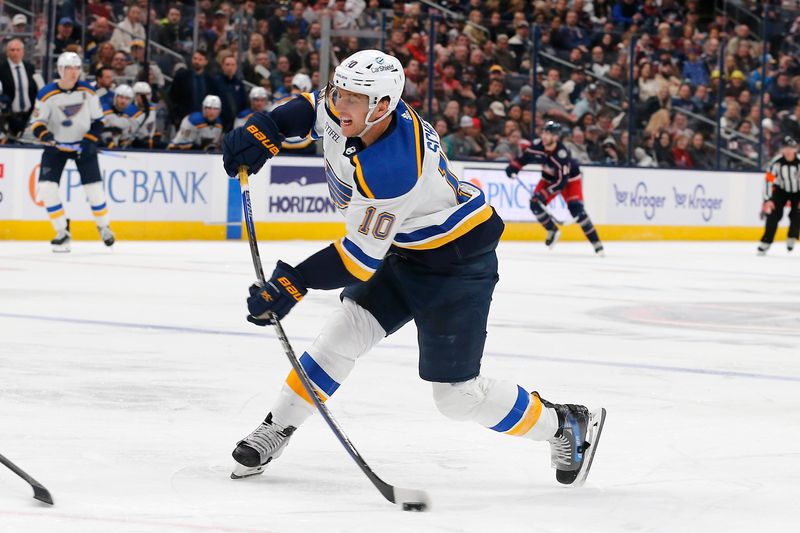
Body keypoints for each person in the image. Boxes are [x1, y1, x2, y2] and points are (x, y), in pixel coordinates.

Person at [221, 50, 606, 486]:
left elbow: (356, 259)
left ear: (382, 106)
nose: (338, 104)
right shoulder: (350, 108)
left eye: (351, 99)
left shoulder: (394, 166)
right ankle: (278, 425)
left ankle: (563, 423)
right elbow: (309, 108)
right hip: (405, 248)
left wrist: (295, 282)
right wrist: (266, 128)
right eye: (338, 91)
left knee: (457, 397)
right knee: (343, 333)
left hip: (456, 263)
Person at [30, 52, 114, 252]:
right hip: (56, 147)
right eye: (69, 68)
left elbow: (99, 121)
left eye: (77, 68)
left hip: (83, 147)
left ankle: (104, 226)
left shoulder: (88, 91)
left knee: (94, 189)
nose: (74, 72)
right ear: (60, 70)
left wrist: (88, 140)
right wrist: (46, 136)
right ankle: (62, 232)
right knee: (46, 189)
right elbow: (37, 123)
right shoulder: (46, 94)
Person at [505, 121, 575, 250]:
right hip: (546, 178)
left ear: (555, 137)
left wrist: (546, 192)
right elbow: (524, 158)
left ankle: (553, 229)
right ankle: (552, 229)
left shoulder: (561, 154)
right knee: (534, 204)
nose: (544, 135)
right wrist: (513, 167)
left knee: (538, 201)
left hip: (557, 183)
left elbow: (562, 181)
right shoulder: (538, 145)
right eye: (543, 132)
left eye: (548, 133)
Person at [758, 136, 800, 255]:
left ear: (795, 149)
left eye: (791, 148)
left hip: (798, 192)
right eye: (785, 148)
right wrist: (768, 199)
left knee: (797, 214)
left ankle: (792, 236)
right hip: (781, 190)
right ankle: (766, 242)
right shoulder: (776, 162)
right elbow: (768, 180)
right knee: (773, 215)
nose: (788, 151)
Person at [0, 38, 38, 138]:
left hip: (28, 115)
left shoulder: (30, 67)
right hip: (7, 117)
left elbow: (34, 89)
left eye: (18, 50)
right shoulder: (1, 69)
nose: (15, 53)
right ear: (7, 52)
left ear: (23, 52)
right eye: (12, 50)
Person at [101, 83, 135, 148]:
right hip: (100, 148)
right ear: (115, 97)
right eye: (121, 97)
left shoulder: (128, 117)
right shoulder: (103, 110)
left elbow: (124, 138)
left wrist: (124, 143)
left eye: (127, 98)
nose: (123, 101)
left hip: (115, 151)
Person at [128, 82, 161, 149]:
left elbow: (153, 128)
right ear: (135, 95)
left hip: (149, 145)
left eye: (148, 94)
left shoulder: (153, 109)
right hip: (132, 146)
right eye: (142, 95)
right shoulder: (127, 110)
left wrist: (155, 136)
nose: (146, 97)